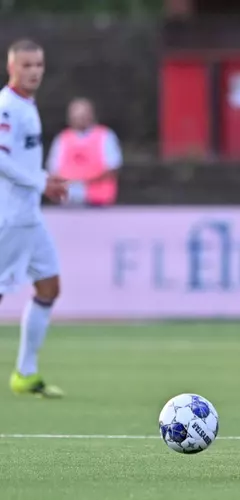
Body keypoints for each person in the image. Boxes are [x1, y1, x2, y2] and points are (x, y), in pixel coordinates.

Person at [0, 39, 68, 397]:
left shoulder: (27, 104)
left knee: (49, 286)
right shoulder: (7, 107)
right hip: (8, 216)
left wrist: (43, 177)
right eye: (26, 65)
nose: (34, 71)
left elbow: (21, 160)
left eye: (38, 64)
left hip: (29, 216)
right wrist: (42, 181)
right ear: (11, 67)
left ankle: (25, 374)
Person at [47, 97, 123, 206]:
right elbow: (53, 170)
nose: (80, 118)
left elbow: (113, 168)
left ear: (91, 115)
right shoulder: (62, 139)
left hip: (100, 203)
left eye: (83, 115)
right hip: (68, 203)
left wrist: (83, 182)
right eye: (76, 115)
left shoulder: (105, 135)